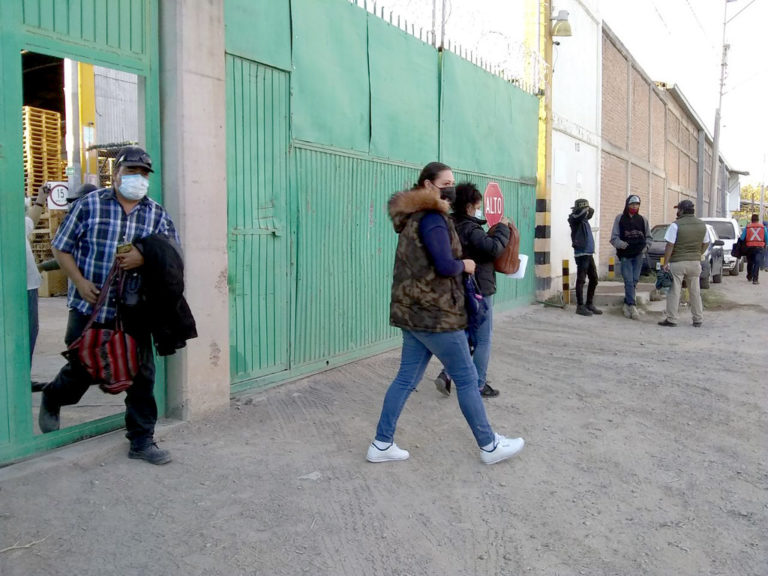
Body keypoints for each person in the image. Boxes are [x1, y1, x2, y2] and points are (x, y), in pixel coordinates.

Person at [366, 162, 524, 465]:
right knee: (467, 379)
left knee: (405, 379)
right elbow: (444, 265)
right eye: (445, 183)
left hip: (413, 314)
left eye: (453, 182)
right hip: (436, 315)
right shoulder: (433, 219)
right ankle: (489, 445)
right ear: (428, 185)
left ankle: (382, 443)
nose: (451, 188)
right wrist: (465, 264)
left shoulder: (412, 217)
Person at [38, 146, 179, 465]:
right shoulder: (89, 205)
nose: (137, 178)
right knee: (83, 368)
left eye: (143, 174)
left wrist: (144, 256)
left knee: (141, 375)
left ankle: (142, 440)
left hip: (135, 310)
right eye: (131, 172)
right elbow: (61, 247)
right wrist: (79, 281)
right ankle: (53, 395)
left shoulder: (156, 213)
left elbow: (172, 254)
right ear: (116, 174)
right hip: (89, 306)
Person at [434, 182, 510, 398]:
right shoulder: (471, 229)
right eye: (477, 207)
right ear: (468, 207)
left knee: (466, 335)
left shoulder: (449, 224)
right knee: (483, 338)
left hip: (457, 287)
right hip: (478, 289)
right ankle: (478, 384)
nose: (479, 210)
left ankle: (447, 374)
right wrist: (503, 228)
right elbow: (493, 249)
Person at [658, 199, 709, 328]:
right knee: (695, 291)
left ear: (682, 210)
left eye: (678, 209)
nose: (677, 212)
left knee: (674, 291)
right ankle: (698, 319)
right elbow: (706, 242)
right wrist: (698, 253)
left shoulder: (676, 225)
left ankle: (672, 319)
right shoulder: (702, 225)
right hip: (695, 263)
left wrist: (665, 262)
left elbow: (670, 245)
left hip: (678, 262)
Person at [610, 195, 652, 320]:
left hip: (638, 254)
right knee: (628, 280)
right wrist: (621, 245)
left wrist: (645, 248)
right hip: (625, 255)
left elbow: (649, 237)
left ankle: (627, 303)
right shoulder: (620, 219)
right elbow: (614, 238)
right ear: (627, 205)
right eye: (632, 204)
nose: (634, 206)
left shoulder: (643, 220)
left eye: (637, 204)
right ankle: (632, 306)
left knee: (634, 280)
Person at [25, 185, 51, 363]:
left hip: (28, 284)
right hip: (20, 285)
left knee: (30, 331)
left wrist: (41, 199)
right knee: (26, 331)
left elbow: (30, 222)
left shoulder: (14, 219)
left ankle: (22, 373)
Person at [568, 198, 602, 316]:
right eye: (584, 210)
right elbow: (581, 214)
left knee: (594, 279)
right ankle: (580, 306)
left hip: (588, 253)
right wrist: (584, 209)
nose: (586, 212)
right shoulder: (574, 219)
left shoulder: (584, 219)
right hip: (581, 253)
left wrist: (587, 208)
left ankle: (589, 304)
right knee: (581, 279)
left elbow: (590, 212)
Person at [741, 214, 767, 285]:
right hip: (760, 247)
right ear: (758, 220)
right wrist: (766, 244)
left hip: (749, 247)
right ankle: (755, 279)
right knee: (757, 263)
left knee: (750, 262)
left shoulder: (747, 227)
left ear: (751, 220)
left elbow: (742, 238)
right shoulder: (763, 227)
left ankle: (749, 276)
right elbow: (766, 237)